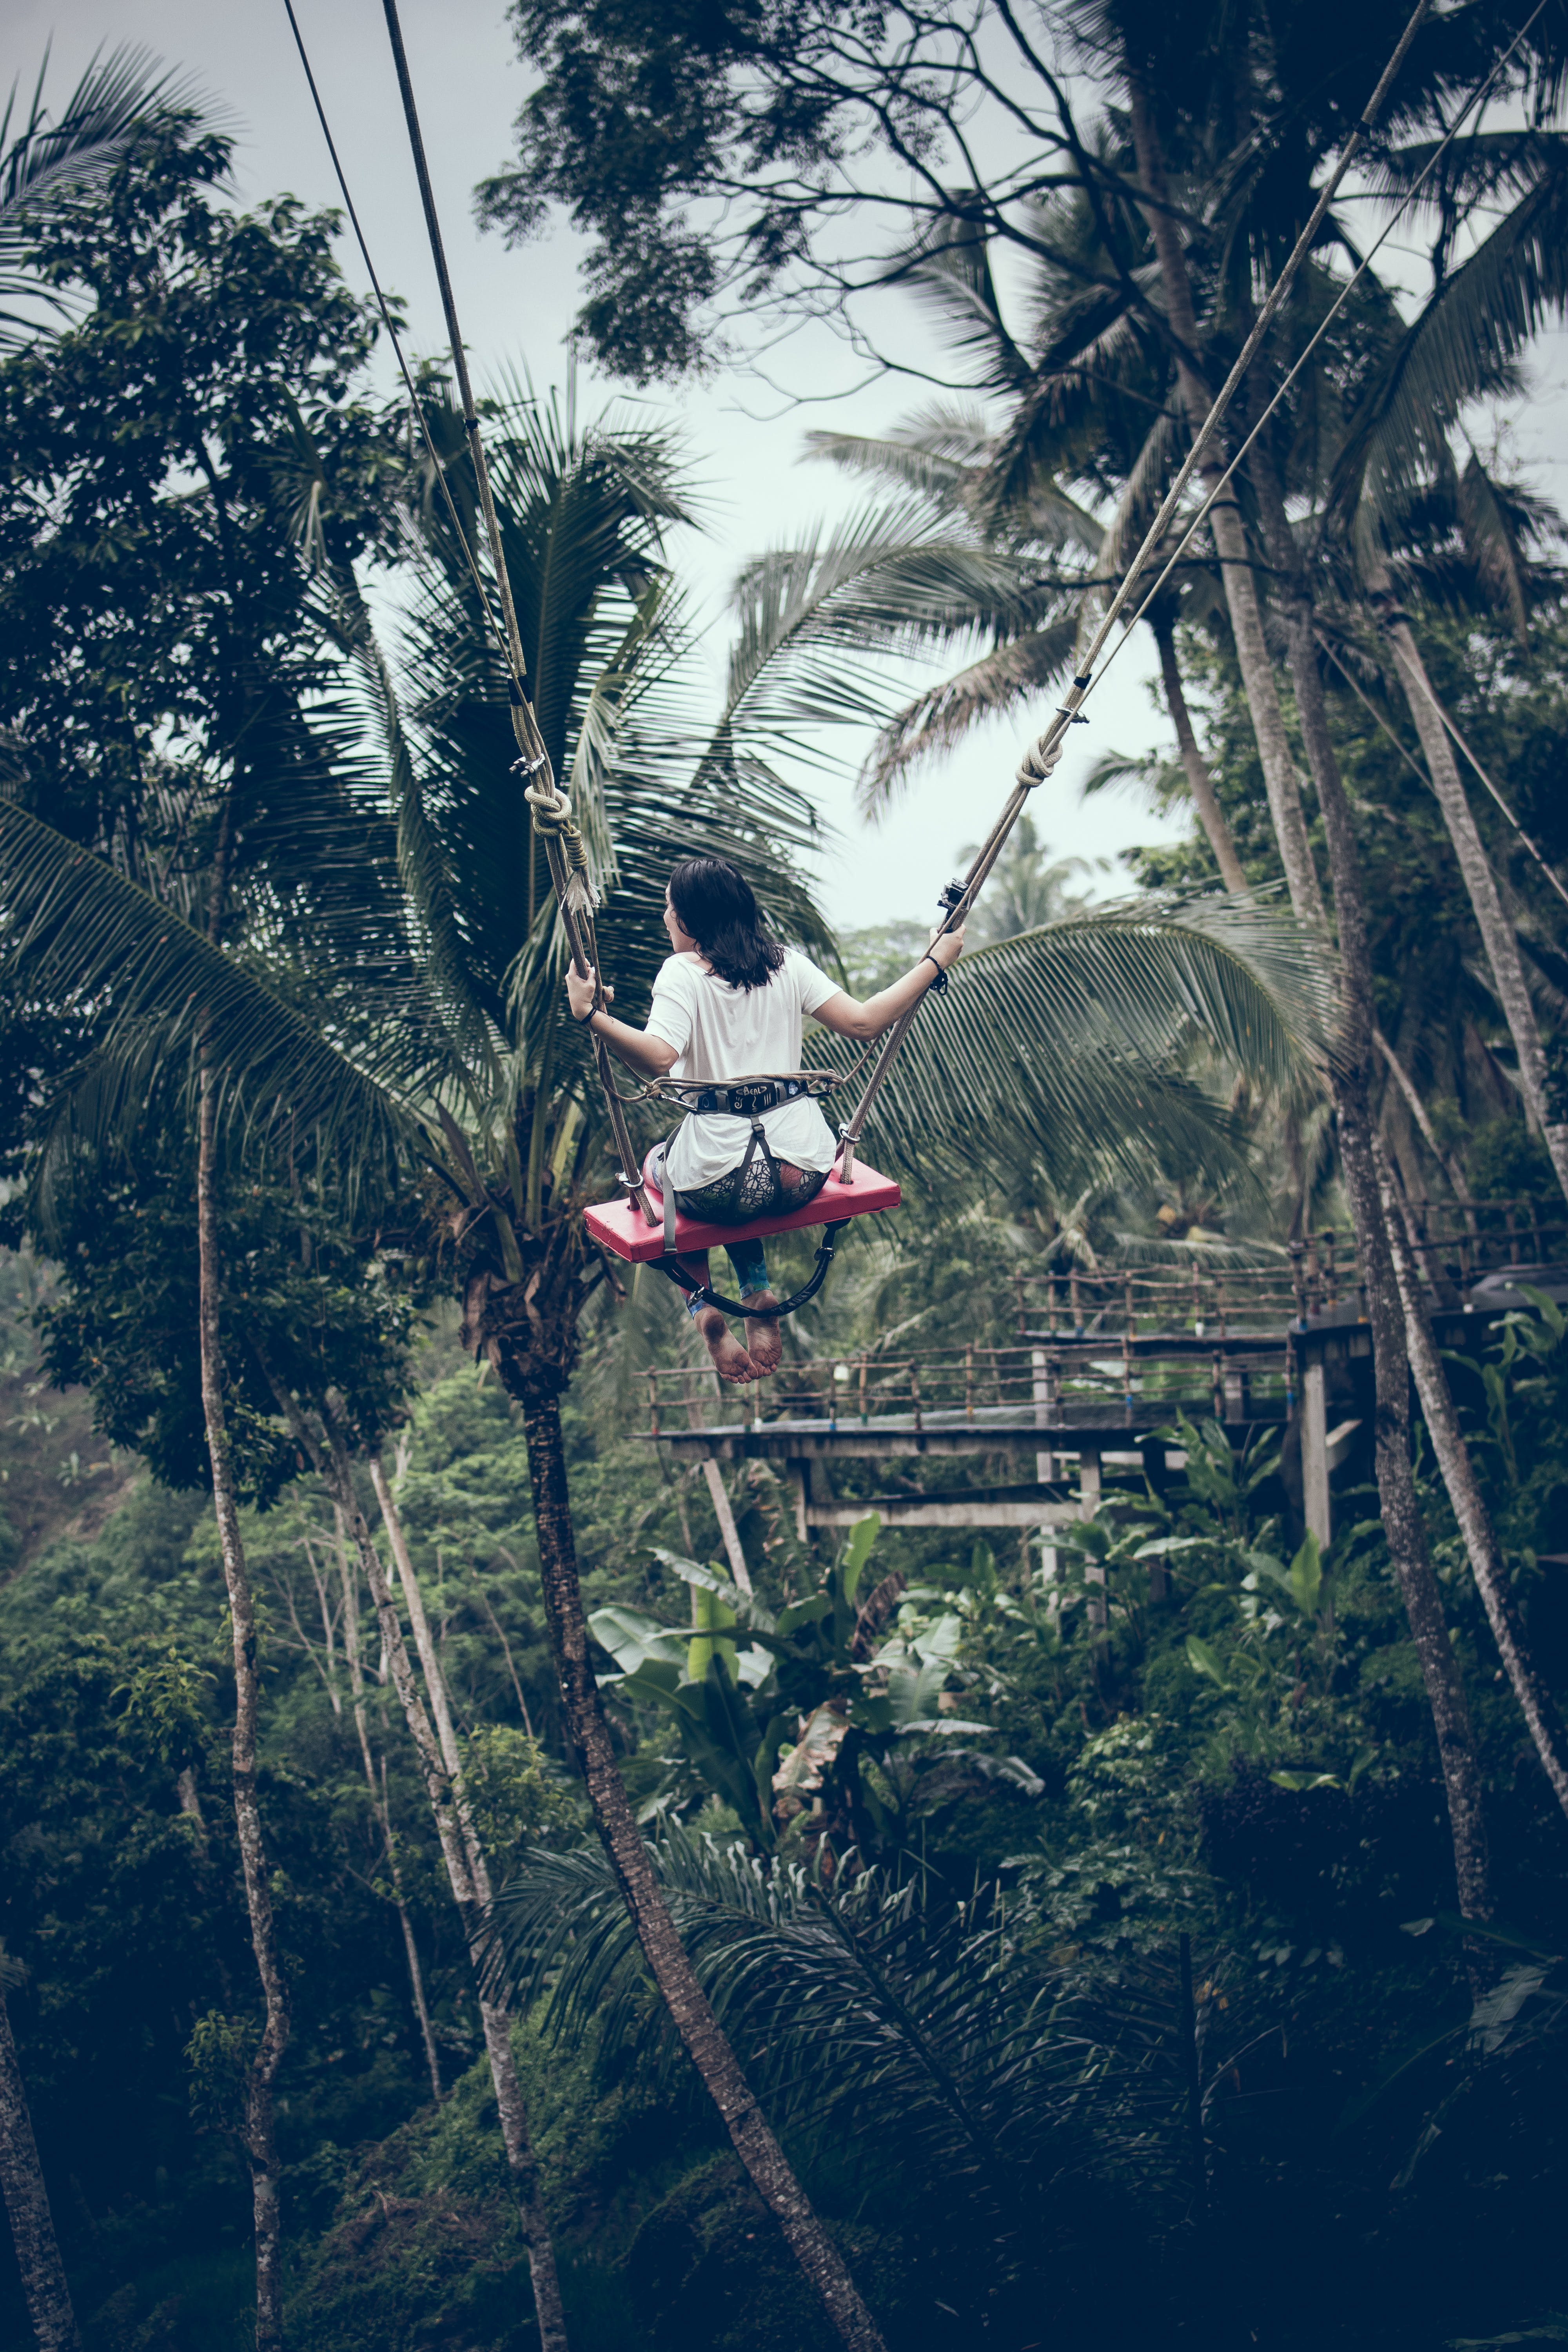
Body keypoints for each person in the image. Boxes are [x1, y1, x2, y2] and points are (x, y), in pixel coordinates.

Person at [565, 855, 964, 1383]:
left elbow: (659, 1057)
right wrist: (934, 963)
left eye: (669, 909)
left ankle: (705, 1309)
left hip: (720, 1179)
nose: (665, 918)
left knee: (666, 1172)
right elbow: (866, 1022)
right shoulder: (785, 963)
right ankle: (755, 1291)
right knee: (736, 1183)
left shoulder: (682, 973)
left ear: (688, 920)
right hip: (802, 1171)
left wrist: (593, 1017)